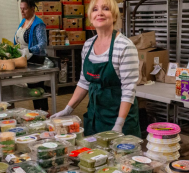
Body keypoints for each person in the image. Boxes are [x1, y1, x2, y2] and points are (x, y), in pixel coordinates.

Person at [51, 0, 141, 137]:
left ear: (115, 16)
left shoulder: (124, 46)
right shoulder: (87, 45)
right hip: (95, 117)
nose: (99, 13)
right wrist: (68, 109)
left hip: (120, 117)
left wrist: (119, 124)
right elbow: (84, 82)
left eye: (105, 8)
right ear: (90, 18)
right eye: (95, 9)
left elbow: (129, 90)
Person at [14, 0, 49, 112]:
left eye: (25, 8)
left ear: (32, 9)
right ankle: (36, 113)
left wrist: (28, 50)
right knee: (32, 90)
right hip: (26, 60)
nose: (22, 11)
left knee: (39, 89)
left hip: (36, 60)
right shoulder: (23, 22)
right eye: (21, 8)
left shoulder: (38, 24)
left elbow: (43, 43)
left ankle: (44, 113)